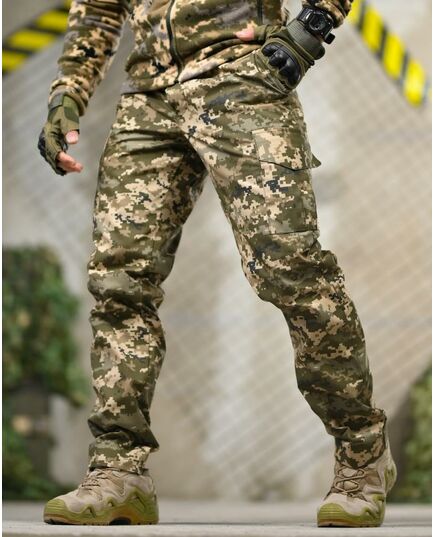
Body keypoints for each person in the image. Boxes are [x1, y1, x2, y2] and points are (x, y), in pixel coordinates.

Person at [38, 0, 396, 527]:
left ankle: (363, 456)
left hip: (242, 78)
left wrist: (310, 29)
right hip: (148, 96)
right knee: (118, 285)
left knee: (292, 272)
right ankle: (118, 471)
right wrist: (67, 93)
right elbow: (97, 9)